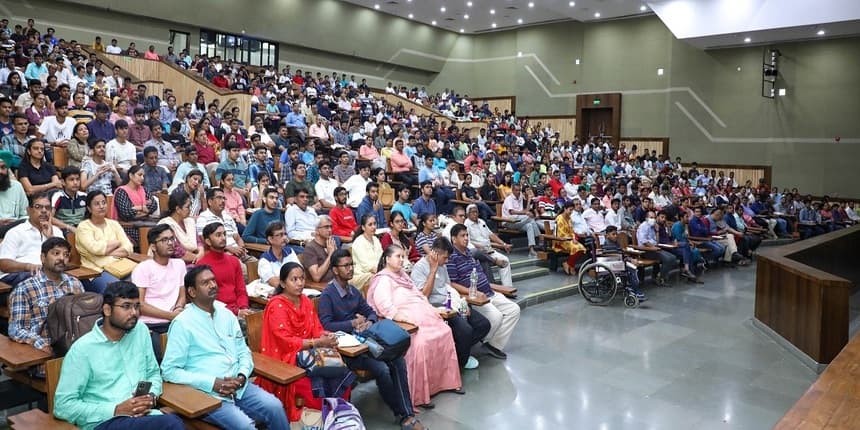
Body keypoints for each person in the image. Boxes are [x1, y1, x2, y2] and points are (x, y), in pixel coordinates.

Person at [162, 265, 289, 430]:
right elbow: (169, 371)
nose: (213, 285)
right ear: (192, 292)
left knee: (275, 407)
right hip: (205, 394)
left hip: (239, 385)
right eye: (205, 283)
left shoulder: (227, 315)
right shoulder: (182, 323)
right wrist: (211, 383)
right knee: (245, 426)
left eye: (213, 280)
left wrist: (242, 375)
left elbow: (243, 351)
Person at [54, 281, 184, 430]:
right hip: (105, 421)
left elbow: (153, 373)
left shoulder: (140, 331)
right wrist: (115, 410)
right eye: (126, 306)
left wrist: (150, 396)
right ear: (107, 310)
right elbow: (63, 406)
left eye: (136, 306)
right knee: (172, 424)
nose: (134, 313)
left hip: (143, 416)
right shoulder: (83, 349)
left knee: (172, 422)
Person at [318, 250, 426, 430]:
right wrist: (351, 323)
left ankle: (407, 413)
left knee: (398, 360)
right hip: (346, 349)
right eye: (346, 266)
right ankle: (402, 414)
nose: (350, 269)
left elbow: (370, 311)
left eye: (351, 264)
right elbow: (326, 324)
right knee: (382, 369)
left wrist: (368, 322)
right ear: (335, 270)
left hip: (366, 340)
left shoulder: (352, 290)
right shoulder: (328, 295)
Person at [256, 262, 354, 422]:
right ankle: (322, 420)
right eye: (294, 279)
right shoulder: (277, 305)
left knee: (341, 373)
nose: (300, 283)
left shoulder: (305, 301)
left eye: (302, 278)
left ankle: (337, 418)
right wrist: (316, 342)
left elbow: (316, 328)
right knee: (312, 385)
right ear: (282, 283)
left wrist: (327, 336)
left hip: (310, 353)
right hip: (287, 359)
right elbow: (284, 341)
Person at [367, 245, 463, 408]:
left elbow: (419, 295)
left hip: (423, 314)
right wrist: (401, 317)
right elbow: (384, 306)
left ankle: (446, 383)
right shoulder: (383, 279)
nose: (401, 260)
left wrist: (432, 309)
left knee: (445, 331)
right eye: (398, 256)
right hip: (405, 319)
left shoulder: (402, 275)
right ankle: (420, 394)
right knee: (421, 342)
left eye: (403, 257)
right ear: (387, 259)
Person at [411, 237, 490, 369]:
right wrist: (433, 270)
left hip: (452, 303)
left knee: (483, 325)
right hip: (437, 308)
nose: (447, 261)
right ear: (435, 254)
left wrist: (461, 303)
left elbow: (448, 287)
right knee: (466, 331)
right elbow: (423, 296)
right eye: (445, 258)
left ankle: (458, 353)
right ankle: (460, 362)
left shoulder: (443, 265)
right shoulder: (419, 268)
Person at [447, 224, 521, 359]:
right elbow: (452, 283)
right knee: (496, 317)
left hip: (489, 292)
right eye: (462, 236)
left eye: (467, 235)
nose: (466, 238)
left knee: (514, 309)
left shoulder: (469, 253)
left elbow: (479, 273)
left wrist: (490, 287)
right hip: (475, 297)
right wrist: (471, 292)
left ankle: (493, 345)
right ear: (454, 239)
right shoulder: (452, 258)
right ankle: (472, 344)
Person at [8, 237, 85, 353]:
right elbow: (16, 329)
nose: (61, 258)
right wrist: (40, 344)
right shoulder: (25, 289)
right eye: (56, 253)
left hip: (76, 347)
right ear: (43, 258)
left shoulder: (75, 283)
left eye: (66, 255)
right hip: (44, 351)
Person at [132, 224, 186, 361]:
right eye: (164, 240)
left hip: (176, 320)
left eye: (172, 239)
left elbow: (182, 294)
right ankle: (148, 383)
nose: (170, 243)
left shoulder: (179, 264)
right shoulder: (143, 268)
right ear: (153, 246)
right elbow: (139, 304)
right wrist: (170, 315)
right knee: (157, 359)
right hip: (151, 324)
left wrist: (179, 308)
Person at [0, 192, 64, 288]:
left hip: (48, 274)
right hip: (20, 274)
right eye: (38, 207)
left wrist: (51, 238)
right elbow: (4, 264)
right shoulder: (16, 232)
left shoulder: (56, 231)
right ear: (28, 210)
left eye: (47, 207)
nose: (44, 211)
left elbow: (65, 259)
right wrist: (28, 267)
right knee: (39, 278)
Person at [76, 190, 134, 293]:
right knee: (119, 291)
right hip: (96, 271)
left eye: (103, 202)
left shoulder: (114, 224)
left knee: (142, 282)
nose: (102, 206)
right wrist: (117, 243)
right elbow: (95, 248)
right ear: (89, 208)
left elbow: (129, 248)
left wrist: (105, 252)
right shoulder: (83, 227)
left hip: (121, 266)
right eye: (97, 204)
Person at [196, 222, 252, 317]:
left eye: (224, 234)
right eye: (218, 235)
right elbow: (207, 299)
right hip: (216, 313)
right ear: (208, 241)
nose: (223, 238)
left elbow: (241, 290)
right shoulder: (201, 265)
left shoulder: (234, 261)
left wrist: (243, 308)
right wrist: (236, 312)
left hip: (239, 309)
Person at [196, 187, 254, 264]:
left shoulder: (228, 216)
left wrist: (241, 248)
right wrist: (229, 248)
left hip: (239, 253)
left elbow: (237, 238)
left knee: (256, 264)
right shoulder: (203, 218)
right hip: (222, 254)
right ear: (210, 201)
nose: (223, 201)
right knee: (244, 270)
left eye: (224, 198)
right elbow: (206, 242)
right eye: (219, 198)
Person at [464, 204, 514, 285]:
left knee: (505, 260)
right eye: (472, 212)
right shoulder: (466, 224)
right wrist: (479, 247)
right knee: (486, 263)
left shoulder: (481, 222)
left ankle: (508, 287)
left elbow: (491, 235)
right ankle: (493, 286)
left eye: (476, 212)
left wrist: (504, 244)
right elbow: (468, 242)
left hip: (490, 250)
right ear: (468, 214)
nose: (475, 214)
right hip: (480, 253)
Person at [111, 165, 158, 246]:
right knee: (151, 238)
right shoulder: (121, 191)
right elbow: (126, 213)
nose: (142, 178)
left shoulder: (144, 189)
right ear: (131, 175)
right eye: (139, 175)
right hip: (129, 226)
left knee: (161, 232)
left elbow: (154, 205)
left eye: (143, 175)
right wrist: (143, 208)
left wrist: (136, 208)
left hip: (145, 222)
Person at [157, 191, 203, 264]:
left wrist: (201, 252)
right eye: (187, 207)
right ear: (178, 209)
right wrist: (197, 257)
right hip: (174, 263)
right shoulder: (166, 224)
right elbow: (176, 252)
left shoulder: (189, 221)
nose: (190, 209)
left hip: (194, 259)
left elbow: (198, 242)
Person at [501, 183, 541, 257]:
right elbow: (512, 212)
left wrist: (529, 200)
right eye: (516, 190)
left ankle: (531, 249)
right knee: (530, 217)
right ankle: (539, 238)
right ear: (512, 190)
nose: (518, 192)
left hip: (520, 221)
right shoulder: (508, 199)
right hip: (509, 221)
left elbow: (527, 210)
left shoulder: (521, 198)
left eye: (519, 190)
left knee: (529, 225)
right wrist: (526, 213)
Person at [257, 221, 301, 287]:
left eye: (285, 234)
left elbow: (300, 273)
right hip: (275, 294)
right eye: (280, 235)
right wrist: (293, 277)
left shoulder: (290, 252)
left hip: (293, 289)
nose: (284, 238)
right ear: (270, 239)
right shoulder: (265, 260)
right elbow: (275, 283)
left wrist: (283, 279)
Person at [552, 201, 587, 275]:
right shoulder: (559, 218)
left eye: (572, 210)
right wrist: (571, 239)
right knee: (577, 248)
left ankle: (568, 264)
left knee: (582, 248)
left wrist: (574, 238)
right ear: (565, 209)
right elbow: (560, 234)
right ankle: (572, 266)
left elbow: (572, 231)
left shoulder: (569, 218)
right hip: (560, 241)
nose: (571, 212)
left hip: (569, 240)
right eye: (570, 210)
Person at [351, 214, 383, 293]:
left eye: (375, 224)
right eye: (370, 225)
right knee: (379, 277)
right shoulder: (358, 242)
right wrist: (381, 271)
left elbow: (382, 257)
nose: (373, 227)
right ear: (363, 227)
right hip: (361, 274)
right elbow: (365, 265)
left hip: (377, 271)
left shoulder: (376, 239)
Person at [301, 216, 338, 284]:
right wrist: (330, 255)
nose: (330, 230)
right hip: (327, 285)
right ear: (317, 230)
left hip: (339, 279)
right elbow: (316, 277)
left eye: (330, 227)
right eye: (326, 227)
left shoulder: (330, 244)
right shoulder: (310, 248)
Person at [51, 166, 87, 233]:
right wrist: (68, 227)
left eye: (77, 179)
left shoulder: (84, 196)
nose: (75, 182)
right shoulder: (58, 196)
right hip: (64, 230)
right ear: (63, 182)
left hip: (82, 230)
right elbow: (50, 218)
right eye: (71, 179)